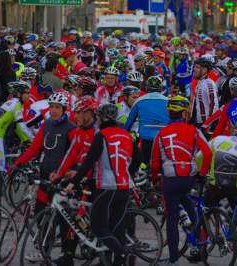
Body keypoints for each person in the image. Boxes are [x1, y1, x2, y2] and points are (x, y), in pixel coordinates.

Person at [65, 103, 141, 266]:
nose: (97, 120)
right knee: (117, 228)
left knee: (99, 227)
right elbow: (139, 159)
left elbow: (88, 163)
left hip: (106, 187)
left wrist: (73, 182)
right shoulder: (126, 134)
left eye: (98, 117)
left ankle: (121, 254)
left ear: (101, 118)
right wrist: (128, 172)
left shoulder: (101, 135)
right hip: (125, 186)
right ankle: (121, 260)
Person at [9, 92, 76, 262]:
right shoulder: (46, 125)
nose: (53, 110)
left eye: (57, 108)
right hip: (46, 175)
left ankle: (66, 254)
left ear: (64, 109)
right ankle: (45, 248)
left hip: (61, 178)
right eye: (52, 107)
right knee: (40, 212)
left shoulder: (71, 128)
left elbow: (75, 154)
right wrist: (17, 164)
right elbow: (35, 148)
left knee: (62, 217)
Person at [150, 96, 212, 266]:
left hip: (170, 181)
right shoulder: (194, 130)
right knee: (190, 208)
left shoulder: (161, 134)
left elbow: (154, 163)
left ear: (170, 113)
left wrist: (155, 179)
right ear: (184, 113)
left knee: (172, 220)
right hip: (189, 179)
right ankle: (201, 245)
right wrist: (202, 173)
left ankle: (174, 259)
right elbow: (207, 153)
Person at [49, 96, 99, 266]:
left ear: (90, 113)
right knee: (69, 215)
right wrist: (58, 174)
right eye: (75, 112)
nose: (75, 116)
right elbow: (70, 155)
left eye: (79, 113)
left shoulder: (97, 133)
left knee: (79, 216)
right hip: (80, 177)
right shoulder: (79, 131)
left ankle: (78, 251)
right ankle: (68, 255)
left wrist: (77, 175)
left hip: (94, 180)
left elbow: (94, 161)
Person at [200, 118, 237, 264]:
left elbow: (200, 156)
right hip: (233, 188)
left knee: (203, 214)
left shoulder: (218, 140)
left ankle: (201, 250)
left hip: (214, 185)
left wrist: (201, 173)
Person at [124, 76, 169, 164]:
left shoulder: (139, 101)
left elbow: (129, 123)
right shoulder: (168, 101)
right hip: (163, 138)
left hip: (145, 138)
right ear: (160, 88)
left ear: (147, 87)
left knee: (144, 164)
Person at [191, 57, 219, 126]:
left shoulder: (209, 84)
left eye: (197, 67)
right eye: (194, 67)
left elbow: (214, 105)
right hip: (199, 121)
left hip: (205, 123)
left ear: (205, 70)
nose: (194, 69)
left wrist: (208, 124)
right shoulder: (200, 82)